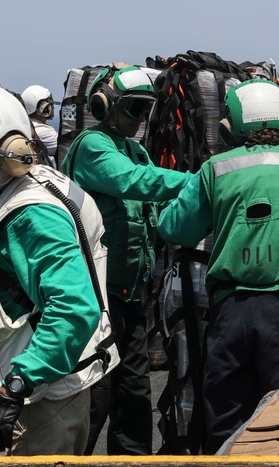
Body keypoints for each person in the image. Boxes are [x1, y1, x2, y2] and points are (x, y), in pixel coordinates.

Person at [157, 78, 279, 453]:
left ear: (230, 126)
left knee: (228, 426)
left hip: (231, 313)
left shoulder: (216, 169)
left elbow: (174, 228)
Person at [0, 84, 116, 456]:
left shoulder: (31, 215)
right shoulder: (7, 196)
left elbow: (74, 308)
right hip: (33, 394)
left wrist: (17, 384)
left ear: (6, 157)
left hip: (39, 402)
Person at [59, 65, 192, 455]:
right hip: (97, 292)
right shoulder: (93, 146)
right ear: (105, 106)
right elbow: (134, 182)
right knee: (96, 391)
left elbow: (153, 201)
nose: (139, 119)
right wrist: (206, 180)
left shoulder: (134, 150)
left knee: (134, 388)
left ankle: (132, 460)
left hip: (130, 290)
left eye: (144, 109)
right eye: (132, 107)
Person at [22, 84, 59, 167]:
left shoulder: (28, 125)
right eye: (51, 104)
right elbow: (70, 148)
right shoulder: (45, 133)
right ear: (44, 108)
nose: (53, 107)